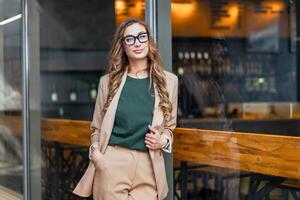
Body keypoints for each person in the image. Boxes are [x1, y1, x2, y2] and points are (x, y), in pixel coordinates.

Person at [73, 18, 178, 200]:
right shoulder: (107, 82)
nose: (137, 43)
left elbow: (170, 126)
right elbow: (96, 126)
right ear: (122, 46)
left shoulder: (169, 82)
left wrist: (163, 141)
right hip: (112, 162)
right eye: (130, 39)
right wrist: (97, 156)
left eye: (141, 37)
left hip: (149, 165)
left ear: (149, 41)